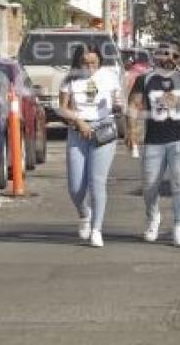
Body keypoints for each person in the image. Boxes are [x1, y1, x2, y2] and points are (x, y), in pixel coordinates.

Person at [127, 44, 180, 247]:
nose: (169, 59)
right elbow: (134, 105)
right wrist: (132, 131)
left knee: (179, 183)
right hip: (154, 139)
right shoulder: (145, 79)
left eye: (174, 55)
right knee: (149, 185)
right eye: (164, 55)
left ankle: (179, 226)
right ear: (156, 57)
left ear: (179, 58)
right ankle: (153, 218)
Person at [58, 43, 122, 248]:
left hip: (103, 132)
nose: (90, 67)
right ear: (78, 62)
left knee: (97, 182)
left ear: (100, 61)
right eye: (85, 63)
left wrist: (119, 106)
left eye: (94, 62)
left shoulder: (109, 76)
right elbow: (62, 109)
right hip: (78, 133)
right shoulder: (70, 80)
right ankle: (84, 213)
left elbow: (118, 102)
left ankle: (97, 229)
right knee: (76, 187)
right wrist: (78, 121)